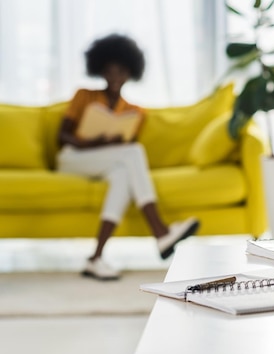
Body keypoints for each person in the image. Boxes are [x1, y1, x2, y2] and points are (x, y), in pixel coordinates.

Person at [57, 34, 199, 280]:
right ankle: (161, 232)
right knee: (133, 153)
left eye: (120, 71)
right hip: (73, 159)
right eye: (109, 71)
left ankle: (96, 257)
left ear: (130, 73)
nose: (114, 77)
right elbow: (61, 136)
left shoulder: (135, 112)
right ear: (100, 70)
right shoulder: (84, 95)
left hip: (107, 163)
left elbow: (127, 151)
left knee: (124, 174)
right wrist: (90, 142)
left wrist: (113, 143)